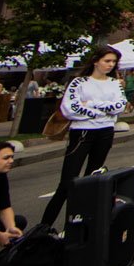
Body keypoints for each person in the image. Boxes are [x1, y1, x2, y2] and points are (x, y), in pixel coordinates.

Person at [40, 45, 127, 226]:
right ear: (96, 61)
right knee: (67, 182)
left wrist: (93, 104)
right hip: (82, 132)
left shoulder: (114, 83)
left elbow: (119, 106)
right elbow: (70, 109)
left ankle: (77, 226)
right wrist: (102, 111)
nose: (110, 65)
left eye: (113, 62)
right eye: (107, 61)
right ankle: (44, 226)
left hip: (105, 132)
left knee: (92, 179)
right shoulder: (79, 83)